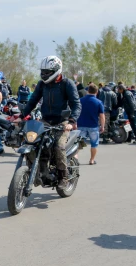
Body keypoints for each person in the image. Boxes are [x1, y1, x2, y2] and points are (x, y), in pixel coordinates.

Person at [23, 55, 81, 188]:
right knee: (32, 141)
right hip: (45, 121)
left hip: (61, 122)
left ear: (56, 70)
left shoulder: (67, 84)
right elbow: (33, 101)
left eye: (47, 72)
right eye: (42, 71)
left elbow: (76, 104)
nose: (43, 75)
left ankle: (63, 177)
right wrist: (22, 115)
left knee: (59, 146)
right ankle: (39, 172)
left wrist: (71, 122)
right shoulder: (42, 84)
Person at [77, 84, 105, 165]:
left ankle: (75, 159)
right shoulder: (99, 102)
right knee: (94, 144)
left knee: (78, 144)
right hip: (93, 126)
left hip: (81, 125)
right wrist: (102, 126)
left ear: (88, 90)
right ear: (97, 92)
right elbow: (102, 116)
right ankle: (92, 160)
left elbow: (76, 112)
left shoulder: (80, 100)